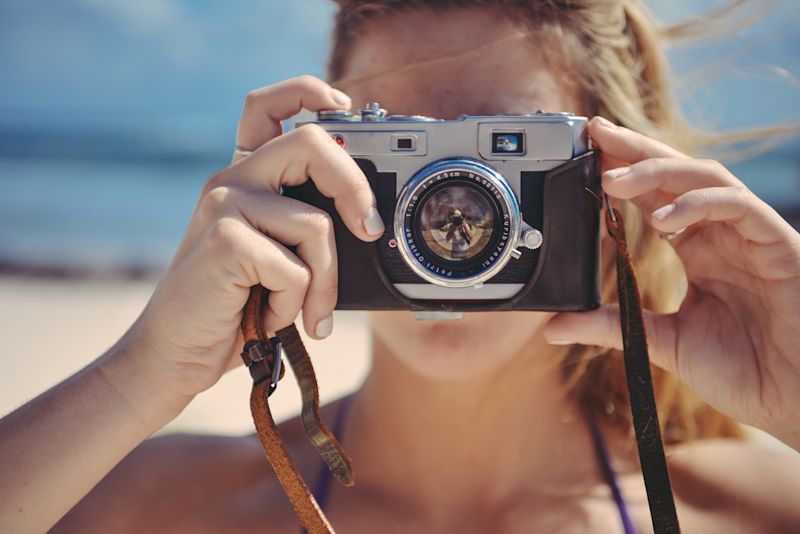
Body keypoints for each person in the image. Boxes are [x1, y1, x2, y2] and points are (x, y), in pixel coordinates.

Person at [2, 0, 800, 532]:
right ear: (315, 171)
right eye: (400, 152)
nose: (446, 208)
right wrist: (141, 376)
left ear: (608, 191)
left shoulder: (753, 510)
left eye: (507, 149)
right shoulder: (153, 504)